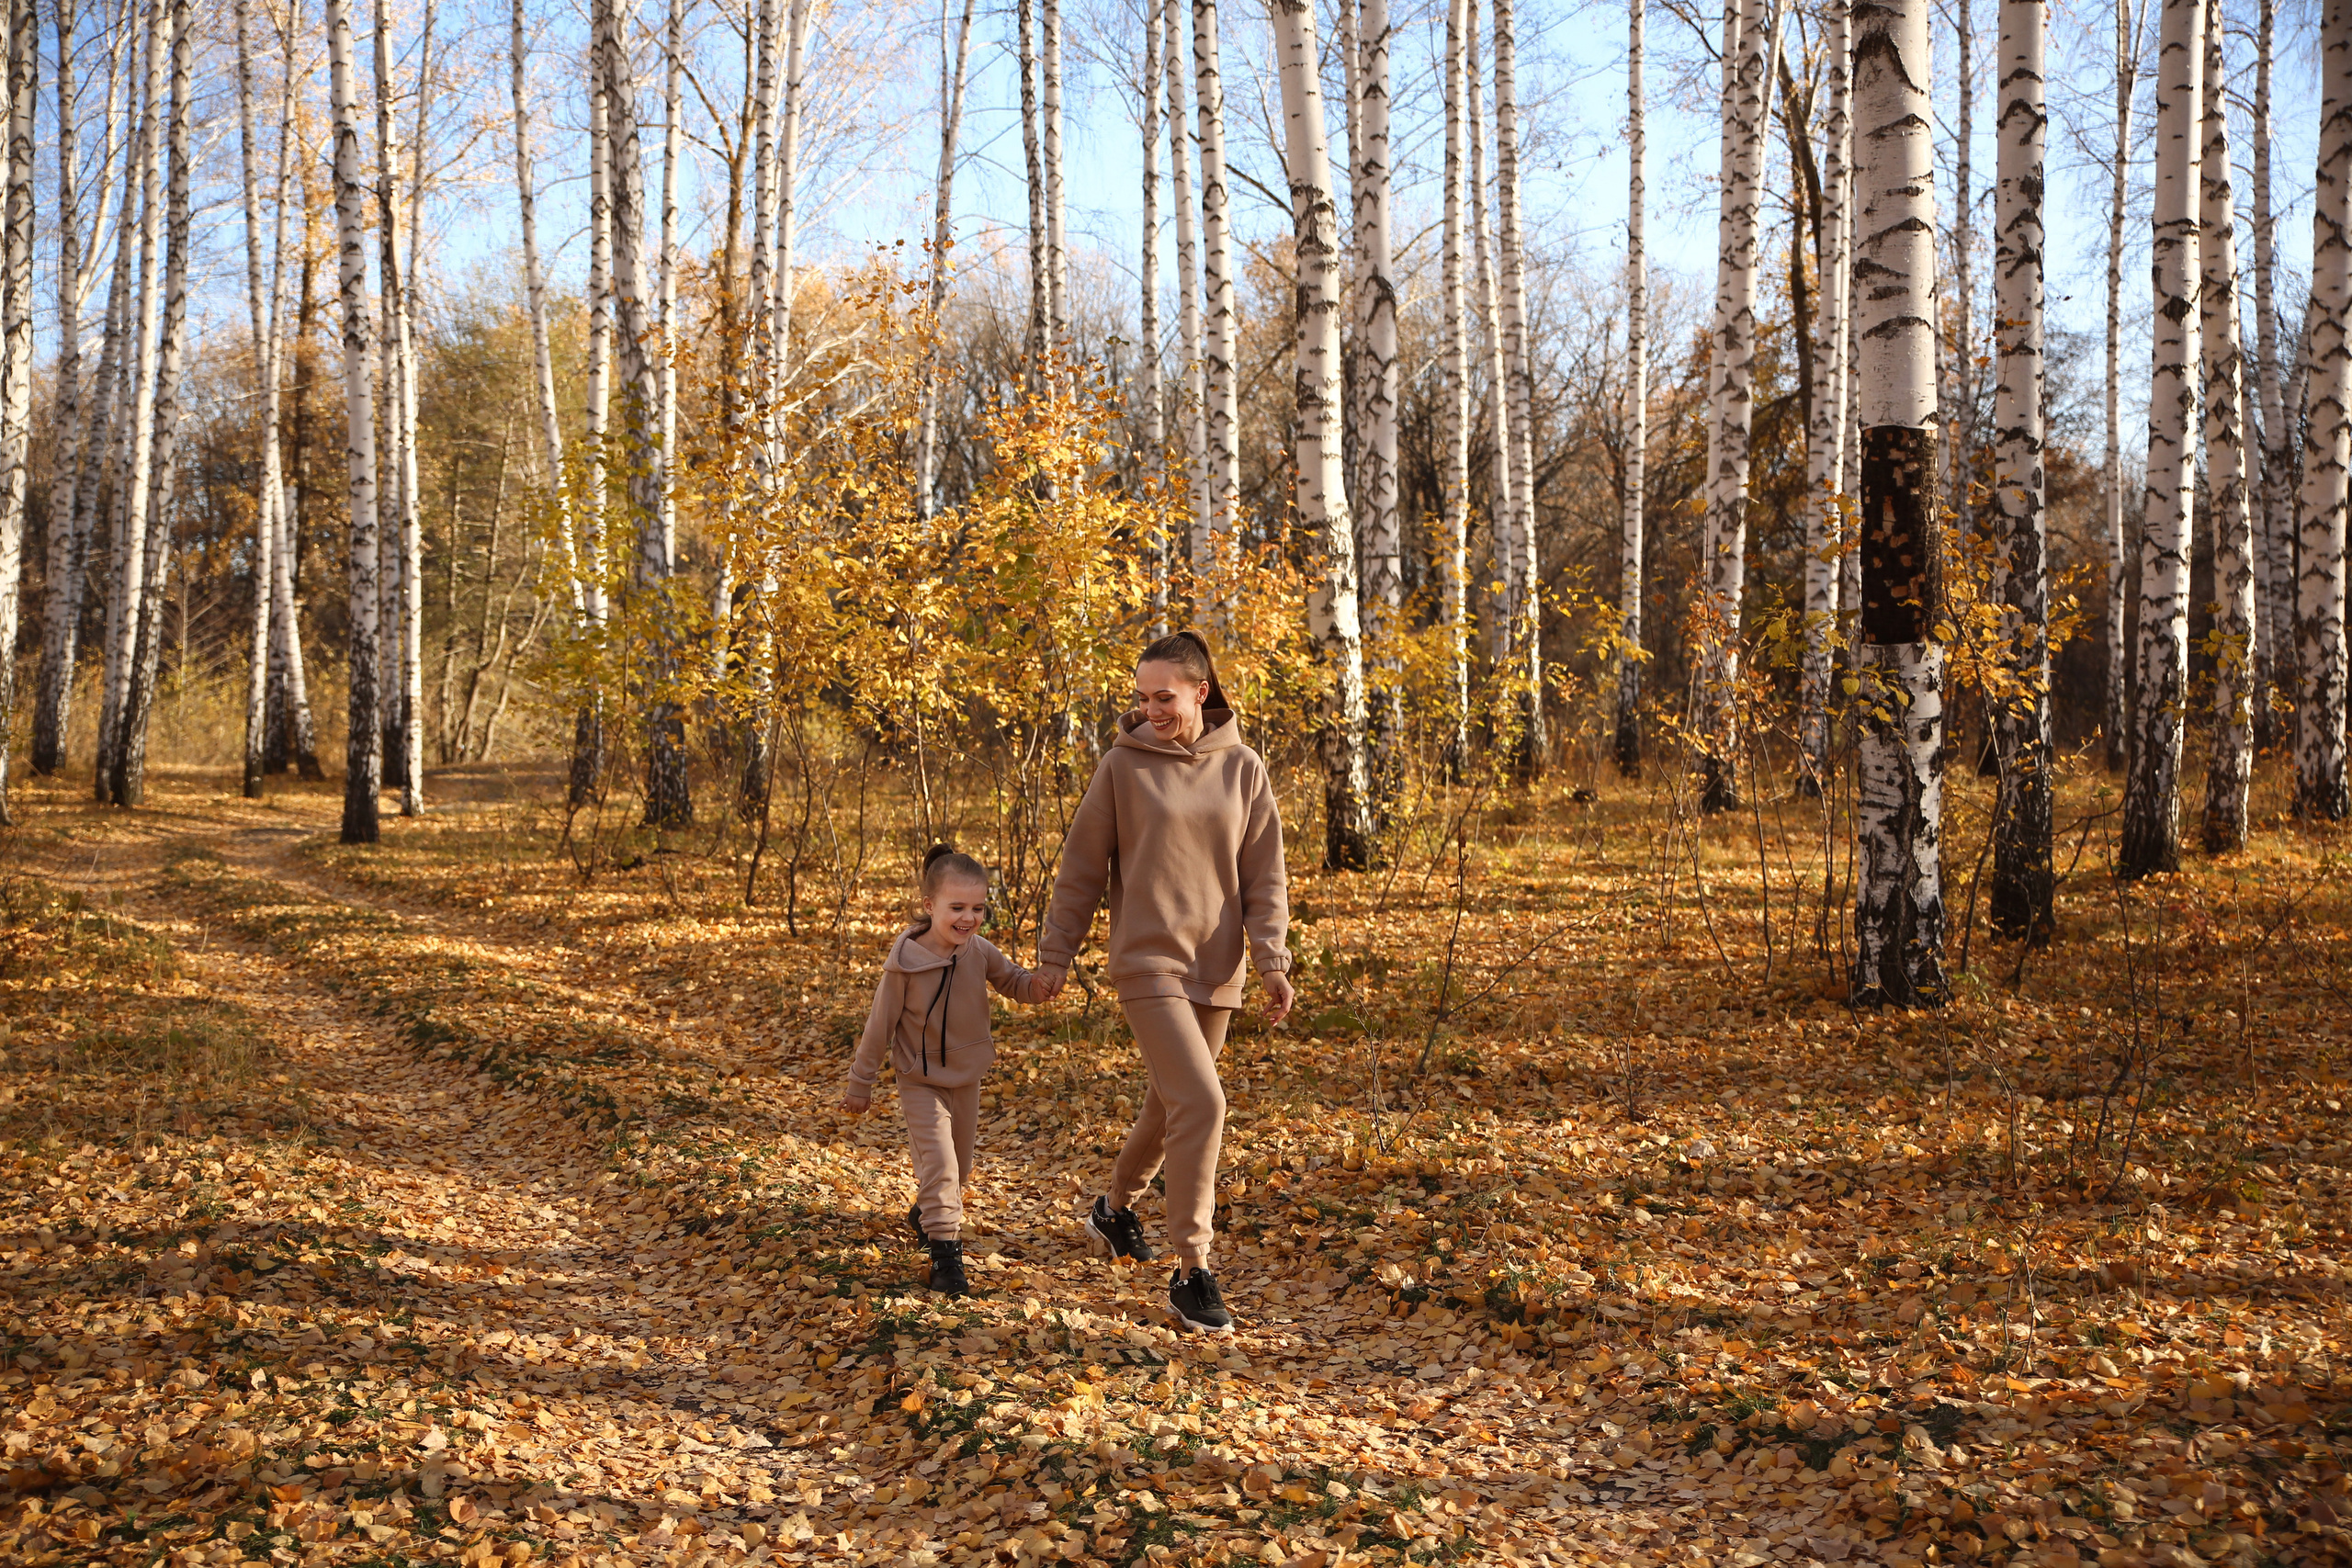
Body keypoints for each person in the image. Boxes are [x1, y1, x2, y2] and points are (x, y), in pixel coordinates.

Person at [1034, 630, 1295, 1334]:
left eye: (1164, 696)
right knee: (1203, 1103)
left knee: (1167, 1106)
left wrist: (1272, 959)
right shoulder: (1122, 767)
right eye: (1142, 697)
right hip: (1147, 960)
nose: (1149, 709)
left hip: (1218, 966)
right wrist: (1056, 955)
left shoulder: (1243, 769)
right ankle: (1192, 1269)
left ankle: (1113, 1210)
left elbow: (1264, 876)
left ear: (1201, 692)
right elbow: (1081, 869)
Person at [842, 845, 1043, 1296]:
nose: (968, 918)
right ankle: (946, 1256)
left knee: (961, 1167)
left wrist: (1039, 985)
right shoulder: (905, 965)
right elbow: (880, 1026)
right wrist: (862, 1082)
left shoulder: (979, 950)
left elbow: (1013, 980)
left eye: (977, 908)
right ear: (930, 906)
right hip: (919, 1080)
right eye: (957, 908)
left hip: (965, 1077)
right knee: (941, 1165)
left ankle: (925, 1211)